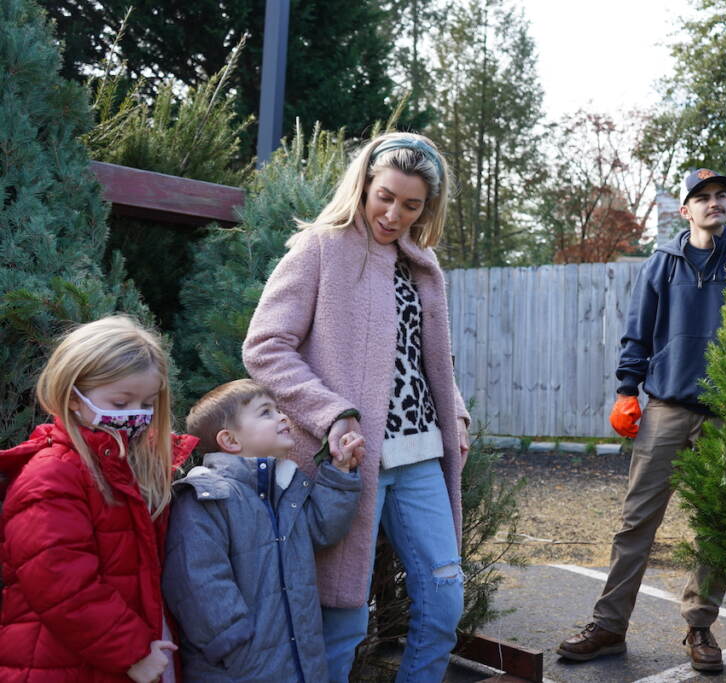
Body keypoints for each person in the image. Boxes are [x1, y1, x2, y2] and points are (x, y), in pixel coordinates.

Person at [242, 131, 471, 682]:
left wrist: (456, 415)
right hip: (344, 463)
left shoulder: (422, 262)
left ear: (427, 208)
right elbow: (264, 347)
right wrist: (332, 412)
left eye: (411, 205)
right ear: (364, 183)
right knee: (341, 621)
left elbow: (428, 357)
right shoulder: (321, 247)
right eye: (385, 196)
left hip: (419, 456)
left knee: (443, 605)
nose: (394, 214)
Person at [556, 169, 726, 673]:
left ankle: (700, 625)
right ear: (685, 211)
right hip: (666, 407)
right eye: (702, 198)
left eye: (721, 196)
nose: (714, 203)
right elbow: (637, 332)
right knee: (636, 521)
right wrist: (627, 391)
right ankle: (609, 627)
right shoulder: (663, 263)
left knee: (716, 528)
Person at [0, 315, 196, 682]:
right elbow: (63, 586)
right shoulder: (52, 476)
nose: (135, 415)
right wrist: (133, 652)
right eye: (120, 403)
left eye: (147, 403)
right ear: (73, 397)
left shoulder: (129, 466)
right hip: (65, 663)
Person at [161, 379, 364, 682]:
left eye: (278, 410)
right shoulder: (206, 497)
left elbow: (322, 529)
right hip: (236, 669)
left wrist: (339, 473)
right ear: (230, 440)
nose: (283, 417)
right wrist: (236, 647)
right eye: (266, 412)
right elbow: (198, 581)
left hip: (298, 663)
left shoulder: (285, 490)